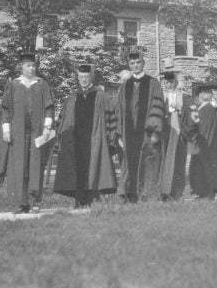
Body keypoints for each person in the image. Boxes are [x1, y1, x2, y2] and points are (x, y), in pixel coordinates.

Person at [54, 64, 118, 207]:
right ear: (77, 77)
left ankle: (92, 199)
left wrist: (110, 140)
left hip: (95, 140)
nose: (83, 79)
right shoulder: (71, 98)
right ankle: (80, 199)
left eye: (86, 77)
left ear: (92, 77)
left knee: (94, 168)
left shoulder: (102, 96)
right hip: (75, 141)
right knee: (77, 169)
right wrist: (60, 142)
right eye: (81, 77)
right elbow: (62, 121)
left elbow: (111, 119)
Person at [0, 52, 54, 214]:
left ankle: (35, 202)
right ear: (21, 67)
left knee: (35, 165)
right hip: (18, 132)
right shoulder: (14, 84)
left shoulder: (42, 84)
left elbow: (49, 108)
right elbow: (6, 110)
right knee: (18, 166)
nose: (31, 68)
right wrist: (6, 130)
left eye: (33, 65)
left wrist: (47, 128)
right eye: (27, 65)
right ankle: (21, 203)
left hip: (37, 132)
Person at [116, 51, 165, 203]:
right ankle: (129, 195)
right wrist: (119, 134)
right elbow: (119, 111)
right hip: (128, 133)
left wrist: (155, 131)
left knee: (148, 163)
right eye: (132, 63)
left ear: (143, 63)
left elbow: (157, 107)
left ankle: (148, 196)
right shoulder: (125, 86)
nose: (135, 65)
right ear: (129, 65)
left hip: (146, 133)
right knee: (128, 164)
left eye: (138, 62)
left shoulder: (153, 83)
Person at [159, 71, 195, 200]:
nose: (169, 84)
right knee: (164, 163)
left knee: (179, 163)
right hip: (165, 134)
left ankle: (178, 193)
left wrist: (181, 108)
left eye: (172, 82)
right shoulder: (161, 97)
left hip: (180, 134)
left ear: (175, 82)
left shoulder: (185, 97)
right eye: (167, 82)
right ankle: (164, 192)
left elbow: (193, 113)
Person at [189, 83, 217, 199]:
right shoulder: (202, 108)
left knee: (206, 168)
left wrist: (204, 145)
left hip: (205, 144)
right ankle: (202, 192)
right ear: (200, 94)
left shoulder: (208, 109)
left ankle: (209, 193)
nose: (208, 94)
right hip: (201, 143)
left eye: (209, 92)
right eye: (204, 92)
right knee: (200, 169)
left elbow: (208, 129)